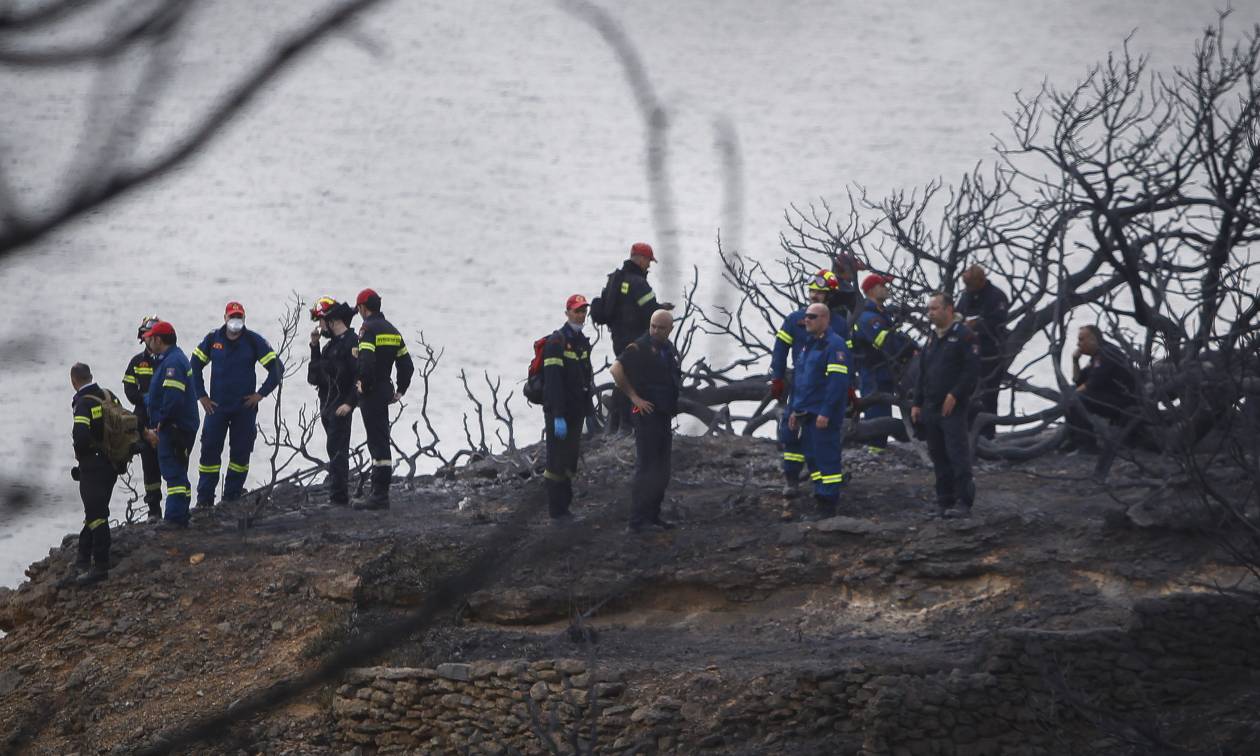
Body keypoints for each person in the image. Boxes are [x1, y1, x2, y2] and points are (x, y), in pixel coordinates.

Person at [190, 301, 283, 509]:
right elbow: (194, 365)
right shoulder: (213, 339)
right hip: (216, 408)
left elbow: (277, 369)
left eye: (239, 317)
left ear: (244, 319)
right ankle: (204, 500)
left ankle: (231, 498)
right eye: (232, 317)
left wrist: (260, 394)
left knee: (240, 455)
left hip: (244, 409)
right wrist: (201, 395)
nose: (235, 321)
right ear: (224, 318)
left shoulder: (253, 341)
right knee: (209, 454)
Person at [769, 269, 849, 498]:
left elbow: (848, 358)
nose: (814, 295)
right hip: (801, 385)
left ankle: (823, 488)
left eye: (820, 292)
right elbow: (780, 349)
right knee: (790, 432)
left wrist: (850, 386)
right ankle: (791, 479)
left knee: (821, 438)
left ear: (830, 296)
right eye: (812, 291)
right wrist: (777, 376)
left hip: (826, 388)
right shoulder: (795, 320)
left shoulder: (840, 326)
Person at [612, 309, 683, 533]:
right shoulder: (639, 347)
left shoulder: (667, 350)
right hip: (646, 415)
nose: (655, 331)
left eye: (661, 328)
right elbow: (616, 370)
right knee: (647, 467)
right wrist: (634, 397)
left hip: (663, 414)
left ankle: (653, 515)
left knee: (662, 468)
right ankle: (638, 521)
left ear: (670, 330)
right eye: (653, 326)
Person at [911, 294, 981, 518]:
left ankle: (963, 500)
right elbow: (923, 372)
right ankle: (944, 499)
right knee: (937, 454)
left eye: (935, 308)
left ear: (949, 309)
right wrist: (917, 402)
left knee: (957, 452)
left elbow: (971, 371)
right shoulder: (932, 337)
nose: (930, 313)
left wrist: (955, 394)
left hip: (953, 406)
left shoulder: (964, 335)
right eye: (928, 309)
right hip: (931, 405)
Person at [785, 303, 852, 519]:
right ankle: (820, 495)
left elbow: (837, 384)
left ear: (825, 319)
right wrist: (795, 410)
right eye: (806, 317)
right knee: (812, 457)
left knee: (827, 459)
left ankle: (828, 505)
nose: (807, 320)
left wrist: (826, 412)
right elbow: (802, 381)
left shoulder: (835, 345)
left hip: (823, 414)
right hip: (806, 412)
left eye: (812, 317)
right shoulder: (809, 345)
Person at [355, 288, 415, 510]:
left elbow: (367, 361)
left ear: (363, 308)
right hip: (385, 390)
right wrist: (401, 390)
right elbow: (407, 365)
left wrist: (363, 384)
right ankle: (379, 492)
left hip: (371, 392)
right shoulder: (392, 330)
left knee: (377, 442)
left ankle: (379, 495)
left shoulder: (367, 329)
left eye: (359, 308)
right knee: (381, 438)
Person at [607, 242, 673, 433]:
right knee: (633, 379)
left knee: (623, 376)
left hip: (618, 337)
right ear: (641, 259)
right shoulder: (639, 283)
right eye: (648, 261)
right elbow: (651, 311)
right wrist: (663, 310)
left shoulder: (617, 279)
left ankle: (615, 424)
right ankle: (627, 425)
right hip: (634, 339)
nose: (649, 266)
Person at [140, 320, 200, 529]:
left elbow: (173, 397)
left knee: (173, 471)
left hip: (174, 427)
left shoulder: (172, 363)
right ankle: (181, 514)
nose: (148, 342)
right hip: (180, 425)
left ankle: (174, 518)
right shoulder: (171, 358)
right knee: (179, 471)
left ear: (158, 339)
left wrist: (161, 421)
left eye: (151, 338)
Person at [541, 294, 595, 522]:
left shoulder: (581, 341)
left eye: (583, 311)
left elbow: (585, 377)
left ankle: (566, 508)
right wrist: (557, 415)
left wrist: (589, 410)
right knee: (556, 462)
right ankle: (557, 511)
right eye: (577, 311)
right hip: (559, 412)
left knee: (570, 460)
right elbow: (553, 382)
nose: (581, 315)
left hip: (577, 410)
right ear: (567, 313)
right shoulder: (556, 343)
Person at [850, 273, 916, 452]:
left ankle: (880, 448)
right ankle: (875, 451)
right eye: (883, 285)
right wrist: (910, 346)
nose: (887, 289)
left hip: (886, 371)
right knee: (877, 413)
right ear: (871, 290)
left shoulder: (880, 313)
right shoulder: (867, 317)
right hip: (872, 372)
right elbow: (886, 342)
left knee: (885, 410)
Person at [69, 363, 119, 585]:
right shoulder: (108, 395)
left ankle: (100, 565)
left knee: (97, 516)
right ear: (91, 376)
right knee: (96, 511)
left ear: (74, 381)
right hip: (112, 464)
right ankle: (82, 557)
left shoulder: (83, 404)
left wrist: (84, 458)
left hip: (93, 467)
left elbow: (80, 436)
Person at [307, 297, 358, 506]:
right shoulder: (329, 347)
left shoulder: (352, 343)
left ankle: (339, 498)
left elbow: (358, 377)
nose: (319, 326)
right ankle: (337, 495)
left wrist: (349, 403)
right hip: (326, 405)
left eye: (321, 321)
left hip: (340, 406)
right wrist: (314, 347)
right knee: (332, 449)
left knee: (338, 451)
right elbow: (313, 378)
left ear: (333, 320)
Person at [1065, 325, 1139, 452]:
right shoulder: (1096, 356)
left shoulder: (1107, 353)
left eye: (1081, 340)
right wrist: (1075, 361)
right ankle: (1073, 440)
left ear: (1093, 339)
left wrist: (1071, 397)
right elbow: (1078, 381)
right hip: (1109, 397)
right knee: (1072, 394)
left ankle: (1088, 445)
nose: (1078, 344)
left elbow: (1091, 384)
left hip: (1123, 402)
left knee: (1078, 398)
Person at [957, 265, 1010, 439]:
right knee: (968, 392)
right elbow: (958, 313)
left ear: (981, 280)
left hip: (991, 353)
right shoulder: (966, 296)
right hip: (968, 353)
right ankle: (969, 429)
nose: (968, 288)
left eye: (970, 284)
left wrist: (977, 325)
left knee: (989, 394)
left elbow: (999, 321)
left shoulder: (997, 296)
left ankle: (988, 433)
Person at [122, 315, 164, 522]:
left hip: (166, 419)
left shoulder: (169, 359)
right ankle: (154, 510)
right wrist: (142, 399)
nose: (151, 340)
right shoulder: (137, 362)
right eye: (148, 336)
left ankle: (177, 508)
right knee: (149, 467)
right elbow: (129, 388)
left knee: (173, 464)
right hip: (144, 421)